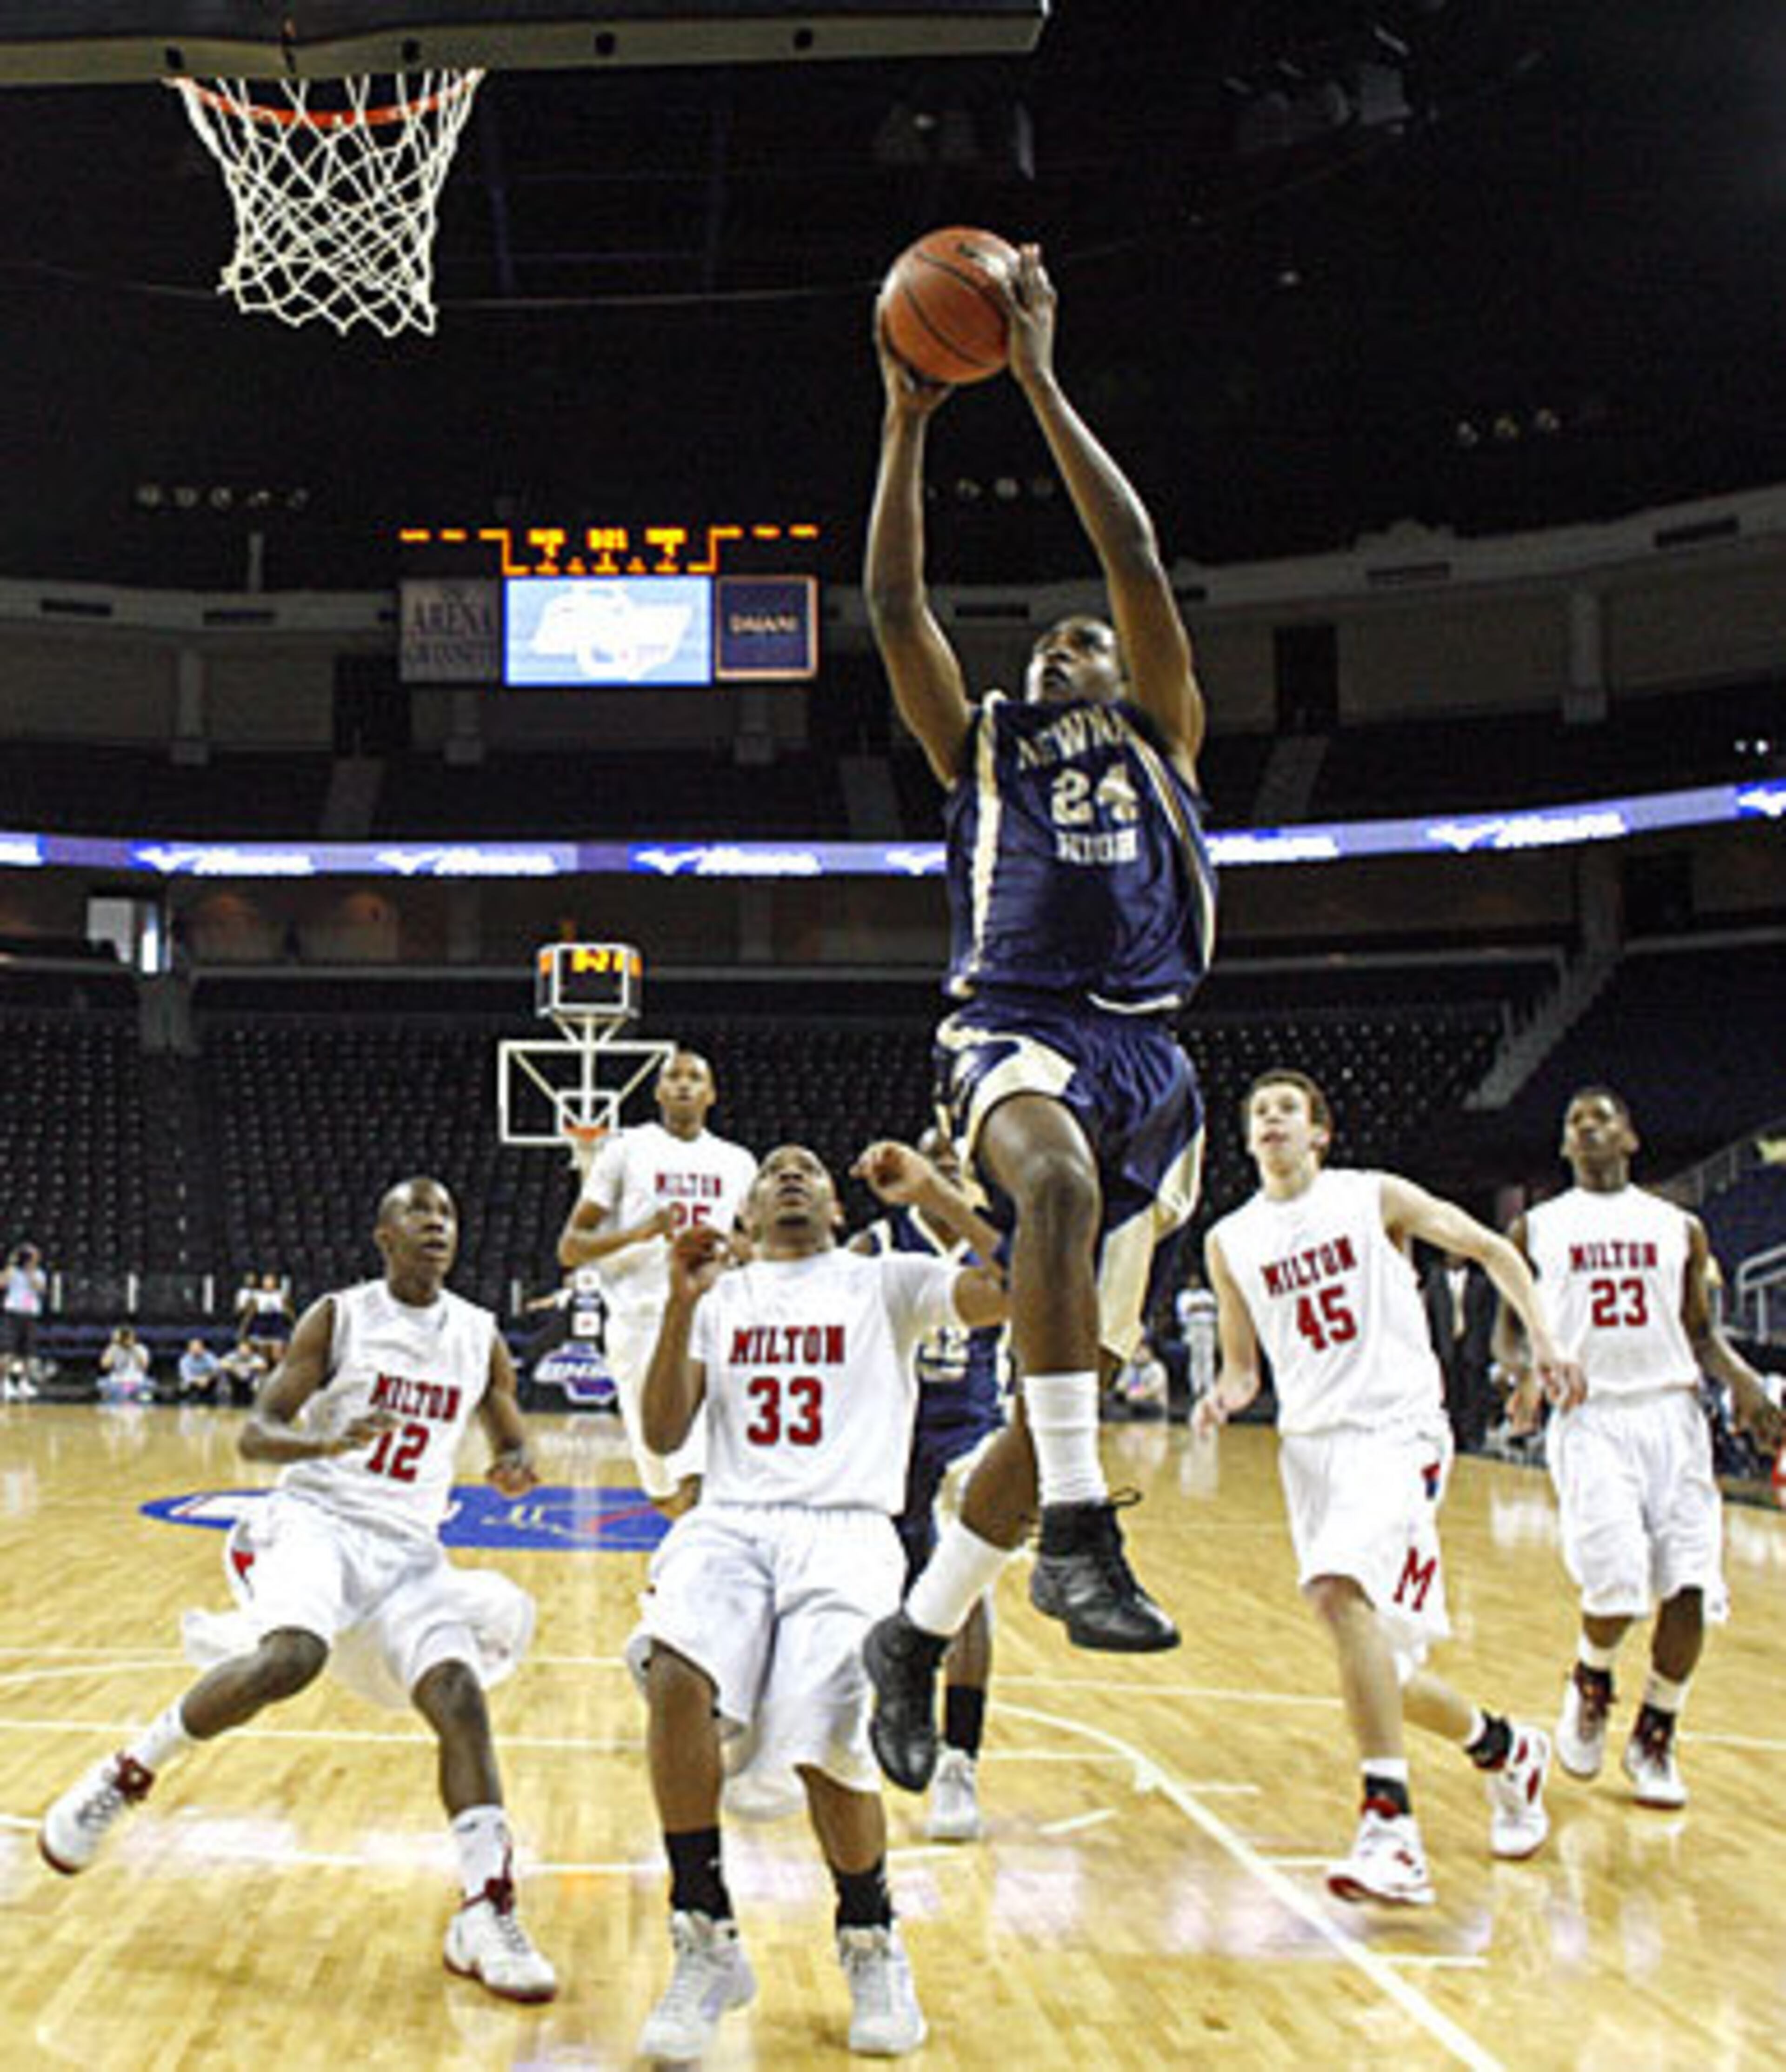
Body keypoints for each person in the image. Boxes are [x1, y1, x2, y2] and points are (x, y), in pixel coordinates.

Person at [861, 243, 1215, 1789]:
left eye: (1083, 640)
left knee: (1037, 1403)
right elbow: (891, 601)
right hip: (1014, 1026)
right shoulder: (982, 748)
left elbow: (1133, 550)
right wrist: (910, 417)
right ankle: (1080, 1531)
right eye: (1047, 644)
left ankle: (917, 1634)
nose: (1064, 649)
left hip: (1154, 1055)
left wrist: (1042, 378)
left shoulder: (1167, 735)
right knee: (1053, 1186)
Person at [38, 1177, 557, 2005]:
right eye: (417, 1213)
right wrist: (322, 1433)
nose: (436, 1225)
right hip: (319, 1522)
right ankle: (127, 1771)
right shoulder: (338, 1316)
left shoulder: (479, 1334)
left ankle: (485, 1907)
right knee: (292, 1655)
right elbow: (256, 1430)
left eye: (448, 1214)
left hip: (410, 1550)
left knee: (459, 1695)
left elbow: (508, 1429)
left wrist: (513, 1462)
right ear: (384, 1234)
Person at [629, 1140, 1007, 2061]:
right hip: (733, 1516)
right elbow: (664, 1428)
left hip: (845, 1530)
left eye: (809, 1169)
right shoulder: (718, 1295)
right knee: (677, 1674)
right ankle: (704, 1928)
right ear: (748, 1212)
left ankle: (870, 1934)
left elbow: (1023, 1282)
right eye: (773, 1170)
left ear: (839, 1208)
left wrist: (937, 1193)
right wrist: (680, 1305)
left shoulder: (889, 1282)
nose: (791, 1173)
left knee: (827, 1734)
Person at [1198, 1070, 1582, 1905]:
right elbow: (1240, 1364)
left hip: (1398, 1429)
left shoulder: (1372, 1197)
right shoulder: (1230, 1238)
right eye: (1258, 1111)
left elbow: (1494, 1249)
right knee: (1386, 1666)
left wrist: (1544, 1341)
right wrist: (1223, 1397)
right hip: (1311, 1449)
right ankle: (1507, 1747)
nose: (1270, 1120)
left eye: (1287, 1110)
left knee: (1339, 1591)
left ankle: (1390, 1827)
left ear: (1320, 1131)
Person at [1495, 1086, 1786, 1809]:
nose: (1588, 1127)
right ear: (1565, 1146)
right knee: (1619, 1581)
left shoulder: (1678, 1227)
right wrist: (1526, 1369)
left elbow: (1700, 1330)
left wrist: (1749, 1386)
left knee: (1689, 1583)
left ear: (1630, 1136)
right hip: (1592, 1417)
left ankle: (1657, 1730)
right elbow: (1509, 1330)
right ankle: (1592, 1680)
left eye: (1603, 1118)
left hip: (1672, 1412)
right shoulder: (1536, 1229)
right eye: (1575, 1121)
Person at [851, 1126, 1009, 1844]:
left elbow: (1041, 1280)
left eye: (959, 1160)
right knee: (874, 1593)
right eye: (934, 1156)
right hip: (886, 1444)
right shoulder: (878, 1242)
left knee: (966, 1580)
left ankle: (958, 1760)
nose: (947, 1162)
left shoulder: (1000, 1240)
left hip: (970, 1433)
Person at [557, 1048, 758, 1514]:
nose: (684, 1084)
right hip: (640, 1323)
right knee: (664, 1486)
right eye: (674, 1076)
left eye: (695, 1077)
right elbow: (570, 1246)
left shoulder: (737, 1161)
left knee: (699, 1471)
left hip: (712, 1322)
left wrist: (731, 1244)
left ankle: (691, 1581)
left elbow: (760, 1248)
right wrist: (641, 1231)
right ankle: (682, 1571)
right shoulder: (625, 1150)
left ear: (711, 1094)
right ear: (658, 1091)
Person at [1421, 1247, 1497, 1454]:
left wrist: (1484, 1348)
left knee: (1473, 1396)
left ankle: (1472, 1440)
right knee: (1450, 1396)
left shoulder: (1480, 1282)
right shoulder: (1435, 1280)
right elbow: (1431, 1317)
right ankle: (1451, 1440)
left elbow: (1487, 1319)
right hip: (1446, 1349)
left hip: (1472, 1348)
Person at [3, 1241, 47, 1400]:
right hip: (13, 1314)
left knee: (29, 1353)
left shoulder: (39, 1273)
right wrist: (11, 1265)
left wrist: (30, 1273)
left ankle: (24, 1383)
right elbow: (2, 1283)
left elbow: (40, 1289)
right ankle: (5, 1383)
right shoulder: (13, 1272)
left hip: (31, 1315)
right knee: (8, 1352)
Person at [98, 1323, 153, 1403]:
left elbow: (145, 1366)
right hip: (117, 1381)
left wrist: (133, 1349)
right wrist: (114, 1347)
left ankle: (134, 1397)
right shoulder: (113, 1349)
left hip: (137, 1381)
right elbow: (104, 1366)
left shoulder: (141, 1349)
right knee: (101, 1384)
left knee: (150, 1386)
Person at [176, 1336, 224, 1403]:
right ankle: (189, 1403)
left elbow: (217, 1369)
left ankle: (213, 1401)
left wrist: (207, 1378)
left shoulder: (210, 1357)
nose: (196, 1351)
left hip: (208, 1381)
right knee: (183, 1387)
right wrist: (198, 1380)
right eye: (193, 1349)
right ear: (189, 1350)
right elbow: (186, 1377)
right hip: (193, 1383)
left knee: (216, 1380)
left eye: (198, 1348)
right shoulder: (184, 1361)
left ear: (203, 1349)